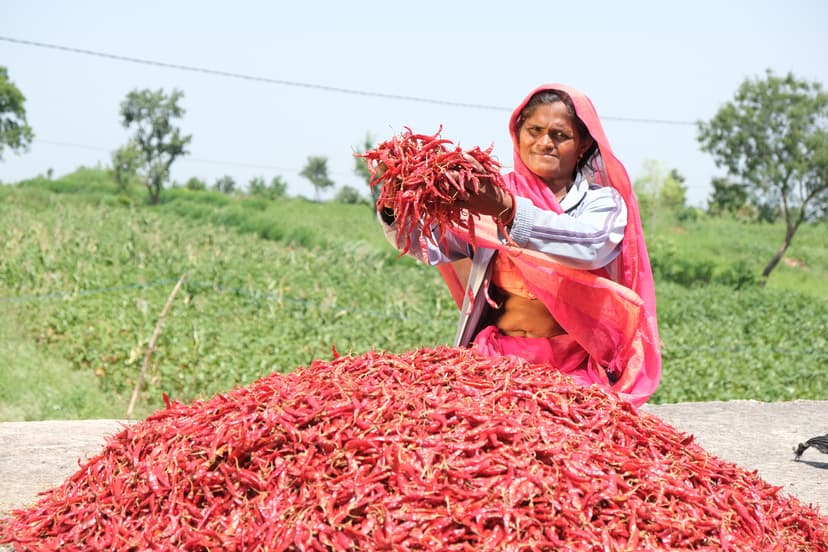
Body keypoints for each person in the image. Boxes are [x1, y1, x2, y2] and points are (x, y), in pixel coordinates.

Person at [378, 84, 661, 406]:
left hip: (571, 366)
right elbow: (429, 244)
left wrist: (508, 210)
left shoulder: (601, 203)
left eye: (560, 135)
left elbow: (589, 246)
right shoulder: (490, 194)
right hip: (497, 359)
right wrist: (395, 202)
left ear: (582, 144)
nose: (544, 143)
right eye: (534, 130)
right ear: (518, 134)